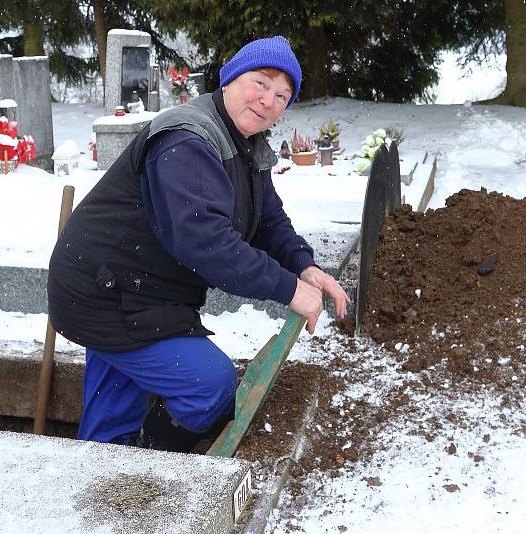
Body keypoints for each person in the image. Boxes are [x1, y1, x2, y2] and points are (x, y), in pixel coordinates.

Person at [48, 35, 350, 452]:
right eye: (260, 83)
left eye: (282, 95)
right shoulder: (188, 140)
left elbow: (268, 220)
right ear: (229, 79)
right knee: (210, 384)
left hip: (132, 287)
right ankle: (154, 455)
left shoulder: (243, 144)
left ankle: (103, 461)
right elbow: (204, 241)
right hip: (105, 292)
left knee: (111, 418)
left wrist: (303, 266)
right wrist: (287, 289)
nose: (269, 101)